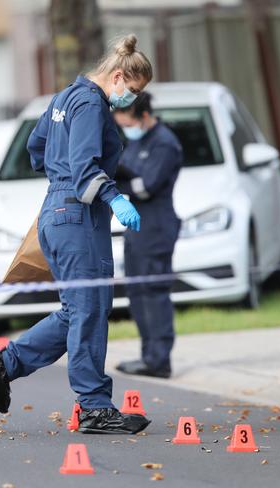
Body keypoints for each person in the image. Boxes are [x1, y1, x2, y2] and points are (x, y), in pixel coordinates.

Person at [0, 34, 153, 434]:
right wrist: (114, 197)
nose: (133, 100)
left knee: (79, 309)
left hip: (57, 211)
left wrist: (59, 175)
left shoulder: (63, 98)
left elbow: (37, 149)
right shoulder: (91, 103)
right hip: (79, 215)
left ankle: (3, 364)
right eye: (134, 91)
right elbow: (86, 168)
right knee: (89, 311)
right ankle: (94, 406)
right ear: (119, 75)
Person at [113, 92, 183, 378]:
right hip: (138, 229)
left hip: (156, 227)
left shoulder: (164, 143)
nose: (124, 127)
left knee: (154, 292)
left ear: (142, 117)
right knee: (137, 292)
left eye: (127, 122)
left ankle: (159, 359)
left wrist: (119, 183)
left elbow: (146, 186)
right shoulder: (136, 141)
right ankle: (148, 355)